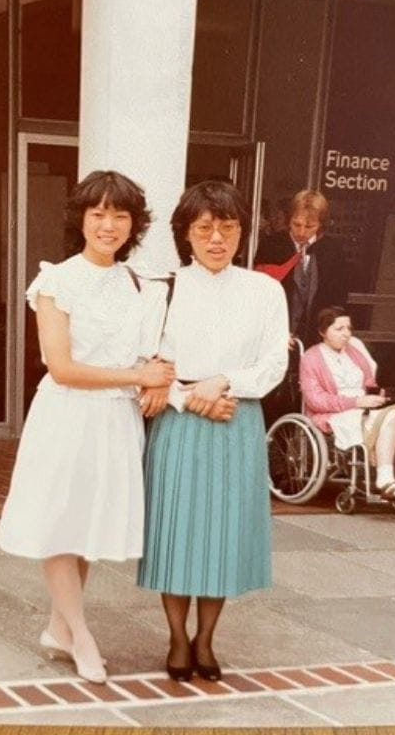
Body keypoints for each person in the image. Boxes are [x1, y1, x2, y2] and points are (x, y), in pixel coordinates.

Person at [0, 170, 174, 685]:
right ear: (82, 219)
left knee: (89, 526)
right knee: (60, 520)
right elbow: (62, 366)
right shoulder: (56, 280)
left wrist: (155, 378)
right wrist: (139, 374)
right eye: (98, 213)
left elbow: (151, 353)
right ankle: (81, 635)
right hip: (68, 414)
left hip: (116, 419)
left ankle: (58, 628)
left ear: (133, 225)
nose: (109, 224)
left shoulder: (140, 284)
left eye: (120, 215)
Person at [136, 180, 287, 682]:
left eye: (227, 227)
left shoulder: (264, 290)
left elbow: (272, 366)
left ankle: (207, 638)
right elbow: (148, 363)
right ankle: (178, 638)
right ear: (186, 233)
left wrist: (223, 381)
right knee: (178, 534)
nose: (216, 238)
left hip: (236, 420)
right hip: (181, 425)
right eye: (204, 228)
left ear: (242, 232)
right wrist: (190, 397)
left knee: (221, 538)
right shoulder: (165, 289)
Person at [300, 306, 395, 500]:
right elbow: (315, 400)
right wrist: (356, 401)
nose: (346, 334)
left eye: (349, 329)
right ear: (322, 331)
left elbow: (369, 385)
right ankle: (384, 480)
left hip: (364, 407)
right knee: (392, 418)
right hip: (334, 414)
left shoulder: (354, 353)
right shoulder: (311, 358)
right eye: (339, 329)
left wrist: (383, 397)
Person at [253, 189, 345, 347]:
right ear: (289, 220)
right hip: (276, 336)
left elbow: (338, 297)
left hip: (316, 338)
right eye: (296, 224)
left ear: (321, 225)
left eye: (309, 226)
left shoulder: (333, 250)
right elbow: (259, 294)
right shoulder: (271, 245)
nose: (301, 232)